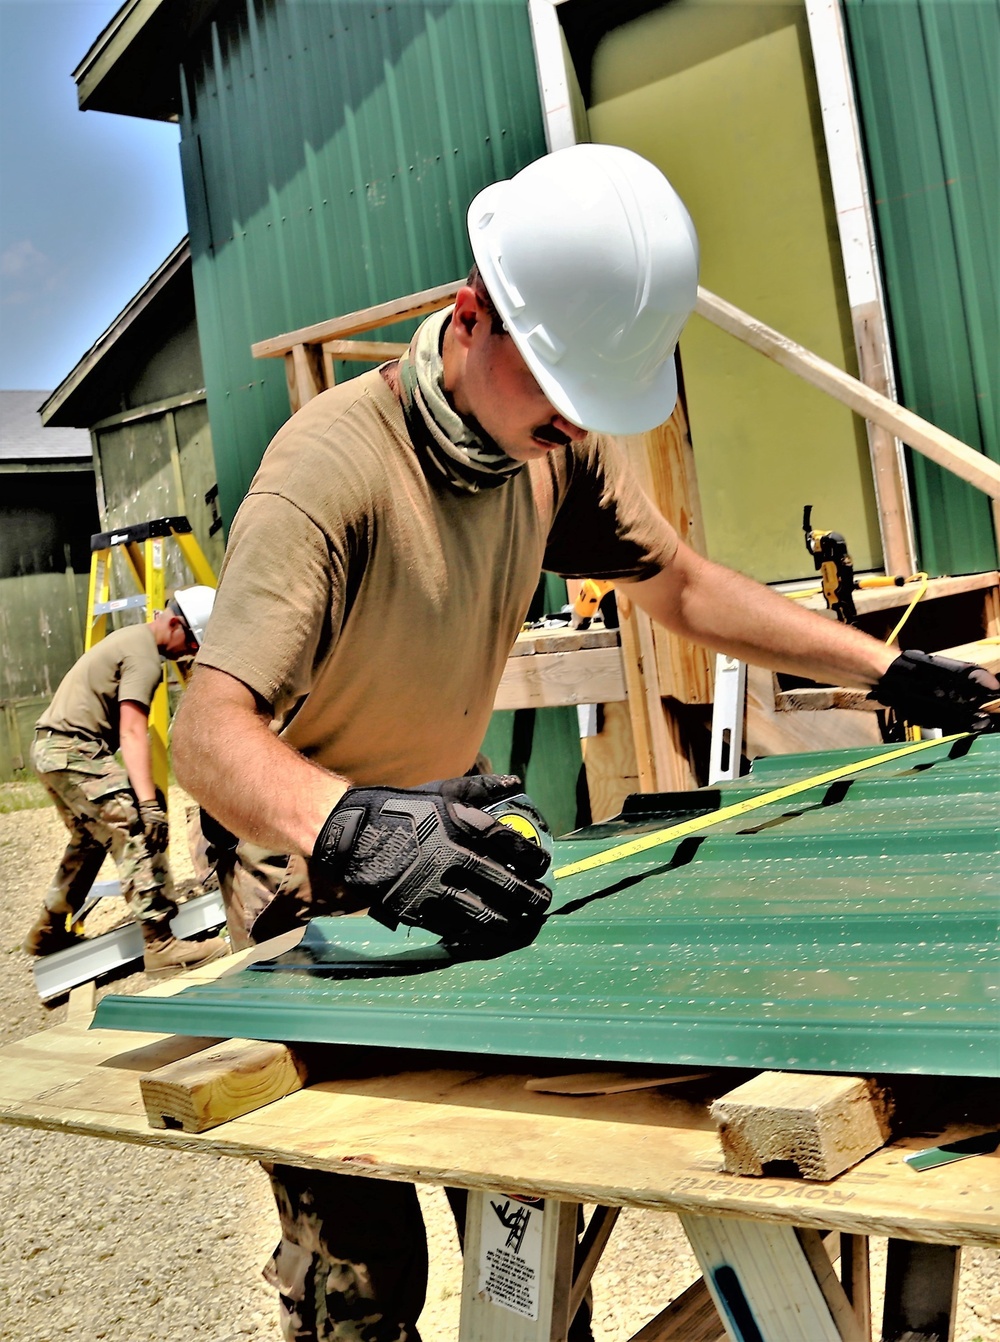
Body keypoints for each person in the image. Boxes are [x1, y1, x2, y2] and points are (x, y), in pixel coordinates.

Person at [172, 144, 998, 1342]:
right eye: (554, 394)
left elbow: (685, 587)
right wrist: (350, 824)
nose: (564, 427)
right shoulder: (328, 472)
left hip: (451, 841)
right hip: (312, 868)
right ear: (471, 316)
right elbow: (208, 733)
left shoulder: (550, 444)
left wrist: (892, 667)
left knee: (518, 1218)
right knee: (363, 1281)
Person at [24, 585, 229, 976]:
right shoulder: (145, 657)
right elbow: (134, 731)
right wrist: (149, 805)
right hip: (73, 748)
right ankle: (161, 945)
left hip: (49, 748)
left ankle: (48, 929)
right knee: (135, 823)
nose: (190, 652)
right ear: (172, 622)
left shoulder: (130, 640)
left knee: (92, 837)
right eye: (191, 641)